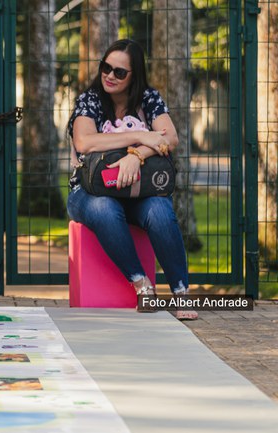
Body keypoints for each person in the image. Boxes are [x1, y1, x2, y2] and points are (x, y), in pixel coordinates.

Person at [66, 39, 198, 320]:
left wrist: (135, 156)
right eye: (106, 68)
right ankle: (142, 285)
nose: (110, 76)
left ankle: (180, 292)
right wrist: (140, 135)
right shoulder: (89, 100)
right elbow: (84, 141)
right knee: (104, 208)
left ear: (134, 76)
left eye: (119, 72)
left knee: (161, 210)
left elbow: (170, 138)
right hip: (88, 192)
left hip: (137, 192)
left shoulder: (148, 98)